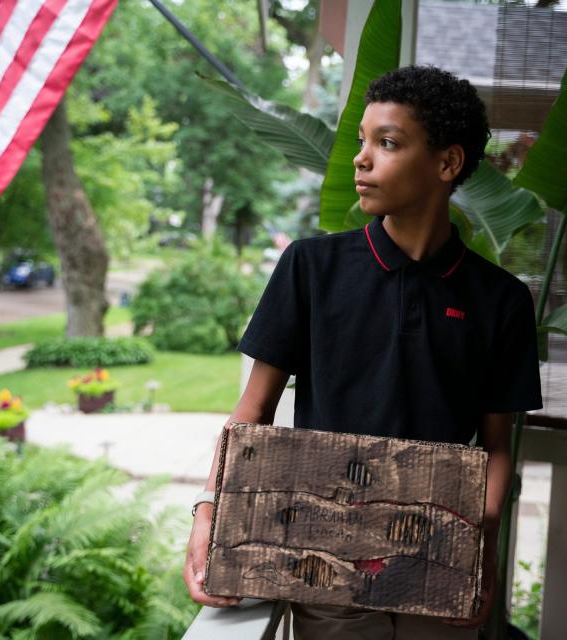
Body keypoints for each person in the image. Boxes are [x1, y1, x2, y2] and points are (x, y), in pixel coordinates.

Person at [183, 65, 542, 639]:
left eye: (388, 143)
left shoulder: (501, 301)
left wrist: (481, 546)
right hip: (321, 572)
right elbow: (251, 415)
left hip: (438, 577)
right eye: (362, 142)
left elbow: (496, 448)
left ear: (447, 163)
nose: (361, 158)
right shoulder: (309, 267)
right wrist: (208, 513)